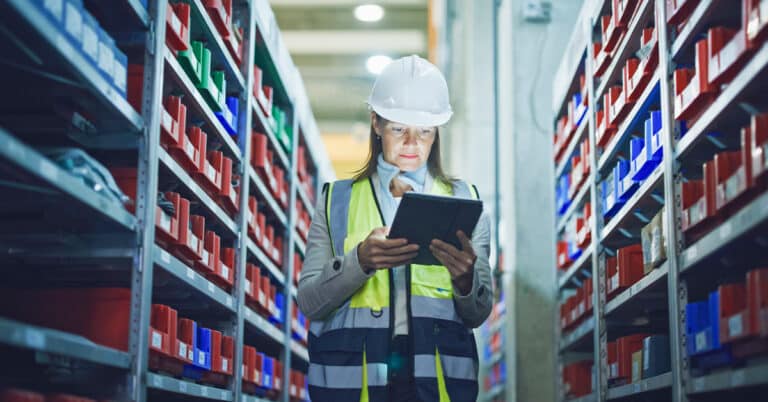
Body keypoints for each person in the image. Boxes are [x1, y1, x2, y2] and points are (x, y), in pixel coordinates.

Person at [297, 55, 492, 402]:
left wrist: (465, 282)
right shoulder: (336, 200)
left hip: (435, 384)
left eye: (425, 132)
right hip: (356, 384)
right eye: (399, 129)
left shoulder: (466, 200)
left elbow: (478, 313)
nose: (412, 144)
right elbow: (310, 303)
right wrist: (360, 261)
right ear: (376, 124)